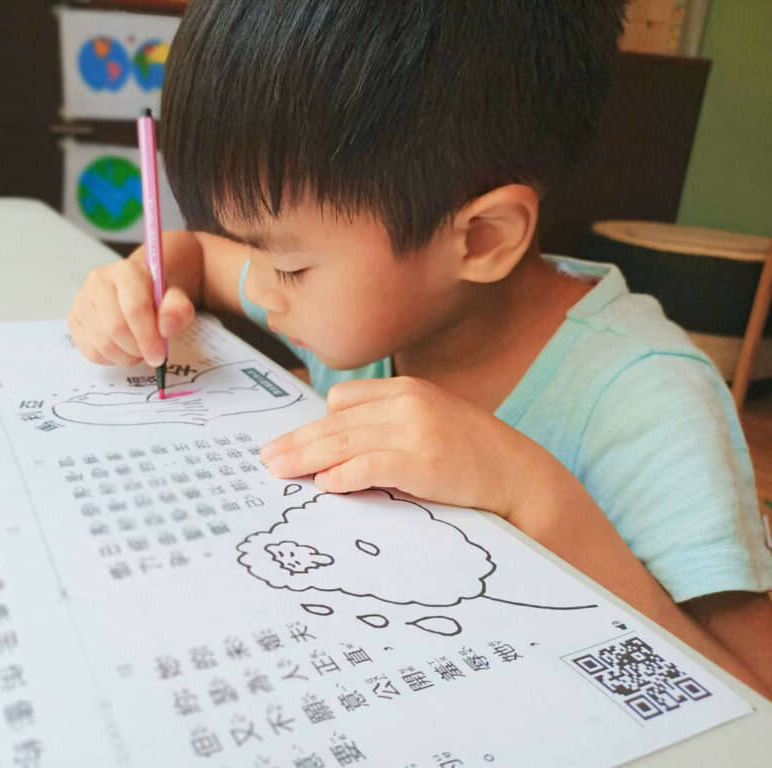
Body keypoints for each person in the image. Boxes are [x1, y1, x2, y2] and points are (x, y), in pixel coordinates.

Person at [67, 0, 772, 695]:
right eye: (258, 252)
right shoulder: (381, 301)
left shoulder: (649, 403)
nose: (265, 290)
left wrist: (531, 494)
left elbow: (754, 694)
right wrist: (144, 279)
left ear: (481, 238)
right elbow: (199, 254)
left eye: (288, 264)